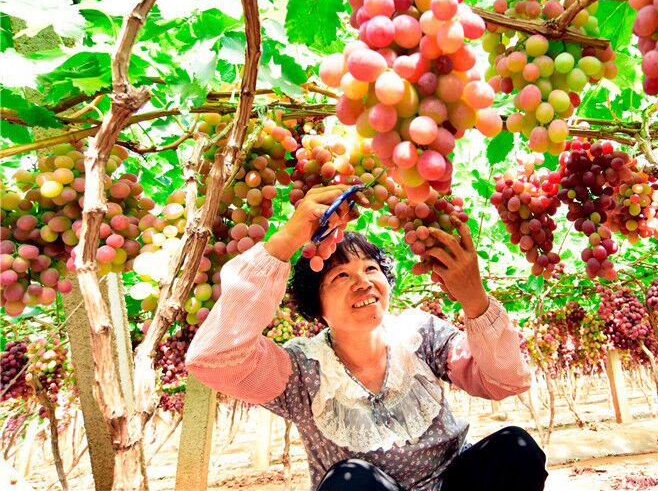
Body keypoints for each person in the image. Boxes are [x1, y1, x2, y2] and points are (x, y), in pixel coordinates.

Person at [185, 186, 548, 491]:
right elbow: (214, 359)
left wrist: (474, 298)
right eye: (340, 276)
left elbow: (506, 381)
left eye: (370, 269)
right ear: (317, 305)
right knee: (351, 481)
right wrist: (286, 240)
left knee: (515, 448)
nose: (362, 282)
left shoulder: (419, 334)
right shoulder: (302, 371)